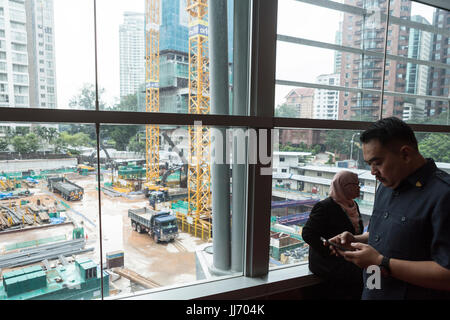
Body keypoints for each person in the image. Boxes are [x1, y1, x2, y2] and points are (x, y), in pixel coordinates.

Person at [328, 117, 450, 299]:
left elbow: (446, 274)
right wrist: (355, 239)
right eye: (369, 164)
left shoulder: (443, 195)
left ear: (406, 154)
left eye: (377, 163)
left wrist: (381, 262)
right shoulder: (386, 186)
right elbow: (389, 234)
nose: (372, 172)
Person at [302, 170, 364, 299]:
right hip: (328, 262)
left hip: (347, 257)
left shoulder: (353, 204)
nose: (359, 188)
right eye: (355, 184)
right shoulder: (324, 206)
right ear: (342, 186)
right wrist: (329, 250)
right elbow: (308, 233)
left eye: (359, 184)